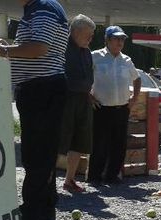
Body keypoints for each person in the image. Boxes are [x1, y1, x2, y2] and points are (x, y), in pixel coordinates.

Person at [0, 0, 69, 220]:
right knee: (43, 151)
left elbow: (40, 47)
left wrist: (4, 50)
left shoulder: (42, 9)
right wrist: (11, 46)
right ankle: (45, 206)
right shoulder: (40, 8)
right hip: (42, 87)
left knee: (35, 152)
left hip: (41, 88)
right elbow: (36, 46)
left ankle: (30, 211)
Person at [88, 25, 141, 184]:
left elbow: (137, 78)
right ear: (108, 40)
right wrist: (88, 96)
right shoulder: (94, 57)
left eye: (122, 39)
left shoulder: (127, 60)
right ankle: (94, 176)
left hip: (122, 108)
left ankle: (112, 176)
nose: (120, 42)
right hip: (101, 108)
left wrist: (134, 98)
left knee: (119, 145)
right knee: (99, 144)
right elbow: (83, 76)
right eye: (117, 39)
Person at [59, 14, 95, 193]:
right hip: (66, 100)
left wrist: (89, 91)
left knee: (80, 142)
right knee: (60, 141)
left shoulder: (86, 51)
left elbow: (89, 75)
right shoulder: (62, 48)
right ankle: (48, 180)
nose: (91, 38)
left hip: (83, 100)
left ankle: (69, 179)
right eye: (88, 34)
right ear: (75, 31)